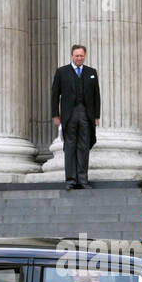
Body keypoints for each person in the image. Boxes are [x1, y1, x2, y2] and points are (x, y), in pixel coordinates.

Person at [51, 44, 100, 190]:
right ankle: (71, 180)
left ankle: (83, 180)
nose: (79, 58)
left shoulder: (91, 72)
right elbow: (54, 95)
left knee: (84, 147)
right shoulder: (62, 72)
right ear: (72, 56)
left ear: (84, 56)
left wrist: (96, 116)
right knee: (70, 146)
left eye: (81, 56)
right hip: (69, 116)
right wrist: (55, 114)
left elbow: (96, 96)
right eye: (77, 55)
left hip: (86, 114)